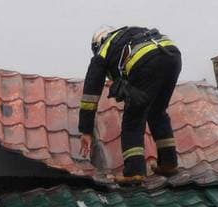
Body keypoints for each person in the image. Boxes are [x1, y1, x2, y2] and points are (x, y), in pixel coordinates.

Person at [75, 25, 182, 183]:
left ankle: (134, 172)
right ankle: (169, 163)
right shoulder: (129, 35)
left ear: (97, 44)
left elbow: (90, 94)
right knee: (157, 112)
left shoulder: (102, 52)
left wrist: (86, 130)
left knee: (133, 119)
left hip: (146, 62)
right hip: (172, 56)